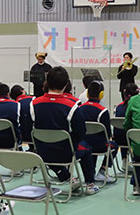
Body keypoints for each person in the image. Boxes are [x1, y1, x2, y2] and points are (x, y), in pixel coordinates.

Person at [30, 66, 99, 195]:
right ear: (66, 84)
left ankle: (66, 175)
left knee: (49, 148)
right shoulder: (72, 106)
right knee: (86, 147)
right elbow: (81, 133)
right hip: (66, 153)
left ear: (47, 82)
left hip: (41, 152)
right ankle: (90, 184)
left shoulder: (34, 104)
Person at [79, 80, 118, 182]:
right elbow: (107, 134)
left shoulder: (79, 108)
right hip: (99, 146)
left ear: (87, 94)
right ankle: (102, 170)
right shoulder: (103, 111)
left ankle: (91, 172)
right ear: (101, 95)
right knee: (114, 145)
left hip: (83, 145)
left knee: (91, 142)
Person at [114, 83, 139, 170]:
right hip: (134, 139)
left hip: (119, 140)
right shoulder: (138, 107)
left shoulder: (118, 107)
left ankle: (124, 160)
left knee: (123, 131)